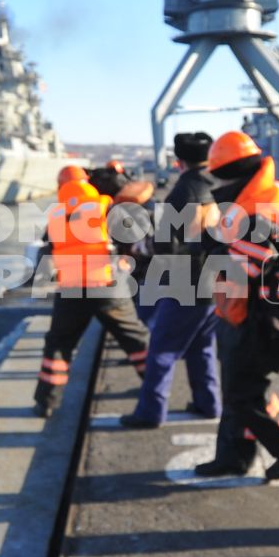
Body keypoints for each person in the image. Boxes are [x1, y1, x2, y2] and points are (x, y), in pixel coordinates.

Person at [191, 130, 279, 480]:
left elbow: (247, 262)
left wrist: (209, 250)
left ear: (230, 173)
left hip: (259, 317)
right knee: (239, 391)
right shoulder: (255, 196)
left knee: (246, 394)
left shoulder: (263, 205)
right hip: (243, 311)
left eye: (218, 176)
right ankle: (234, 457)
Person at [120, 131, 221, 428]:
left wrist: (142, 248)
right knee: (202, 346)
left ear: (179, 161)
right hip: (215, 279)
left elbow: (164, 243)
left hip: (184, 280)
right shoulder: (218, 185)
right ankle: (208, 402)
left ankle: (150, 413)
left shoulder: (184, 191)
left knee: (162, 349)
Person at [34, 166, 150, 418]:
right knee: (135, 338)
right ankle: (154, 388)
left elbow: (49, 249)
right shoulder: (104, 205)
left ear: (60, 186)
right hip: (108, 285)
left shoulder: (56, 215)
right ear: (88, 182)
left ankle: (47, 402)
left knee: (58, 344)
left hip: (71, 289)